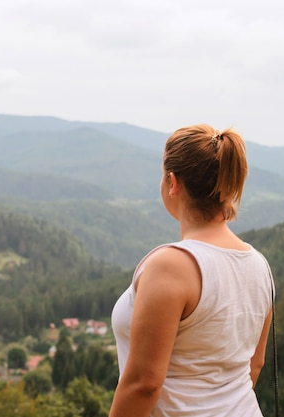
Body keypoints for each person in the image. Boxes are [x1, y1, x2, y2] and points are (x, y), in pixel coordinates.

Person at [109, 124, 274, 417]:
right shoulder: (259, 265)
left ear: (173, 182)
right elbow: (254, 365)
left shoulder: (171, 265)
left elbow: (143, 385)